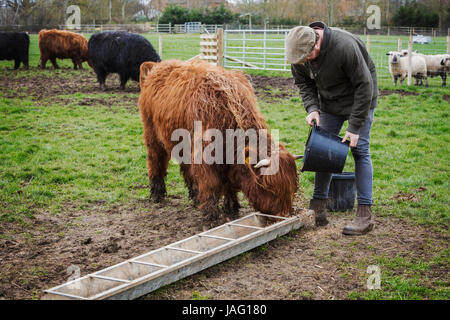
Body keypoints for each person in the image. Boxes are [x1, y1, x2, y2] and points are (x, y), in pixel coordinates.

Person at [287, 21, 378, 236]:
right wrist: (312, 108)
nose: (302, 62)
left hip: (360, 98)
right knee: (322, 148)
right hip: (329, 102)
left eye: (306, 58)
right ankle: (318, 207)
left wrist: (354, 127)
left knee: (359, 149)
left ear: (316, 45)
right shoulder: (299, 53)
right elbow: (304, 85)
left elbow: (365, 86)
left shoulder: (344, 47)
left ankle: (365, 214)